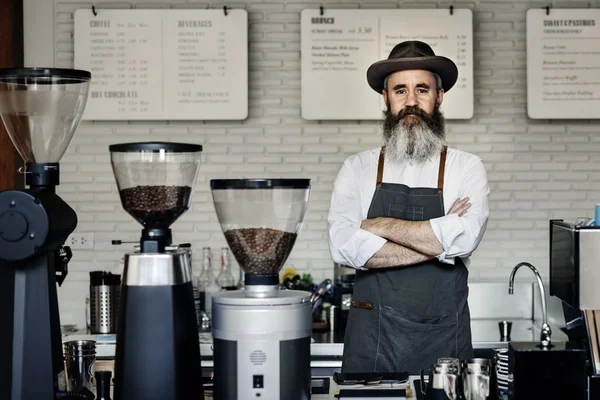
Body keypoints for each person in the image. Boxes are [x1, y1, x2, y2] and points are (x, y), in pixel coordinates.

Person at [327, 41, 490, 374]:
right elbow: (343, 247)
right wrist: (439, 237)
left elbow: (466, 239)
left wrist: (378, 225)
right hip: (371, 337)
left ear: (439, 95)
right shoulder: (356, 168)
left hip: (444, 338)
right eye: (400, 90)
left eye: (422, 89)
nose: (411, 101)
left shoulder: (467, 167)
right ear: (385, 98)